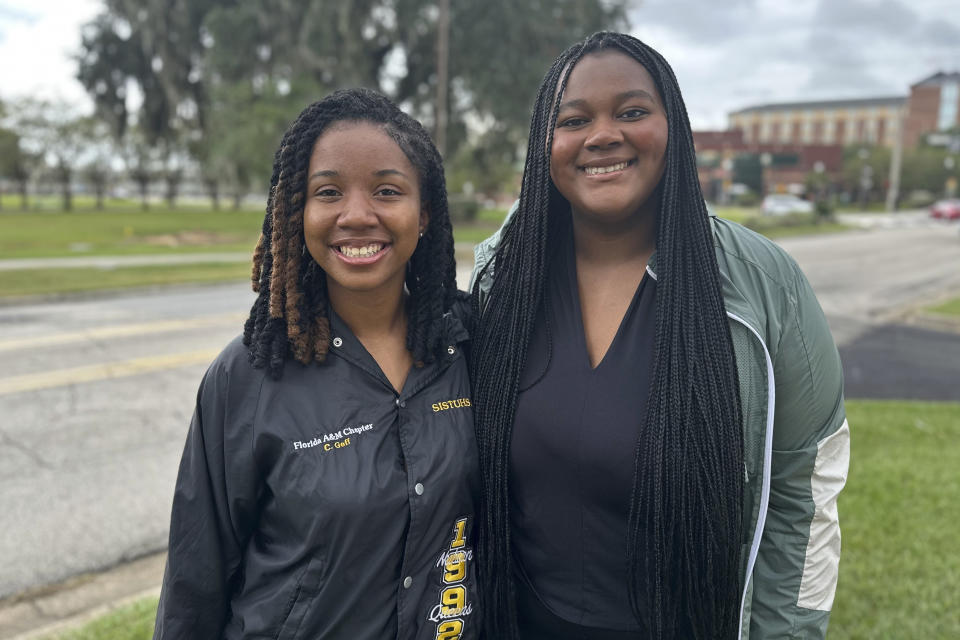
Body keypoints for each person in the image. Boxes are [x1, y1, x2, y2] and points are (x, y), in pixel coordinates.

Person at [470, 32, 849, 639]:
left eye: (632, 111)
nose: (602, 135)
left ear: (674, 130)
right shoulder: (500, 280)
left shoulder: (764, 287)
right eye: (574, 120)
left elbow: (805, 492)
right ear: (547, 143)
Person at [154, 88, 479, 640]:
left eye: (386, 190)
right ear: (297, 213)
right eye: (328, 192)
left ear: (424, 214)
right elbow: (195, 579)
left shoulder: (468, 348)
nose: (356, 215)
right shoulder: (248, 376)